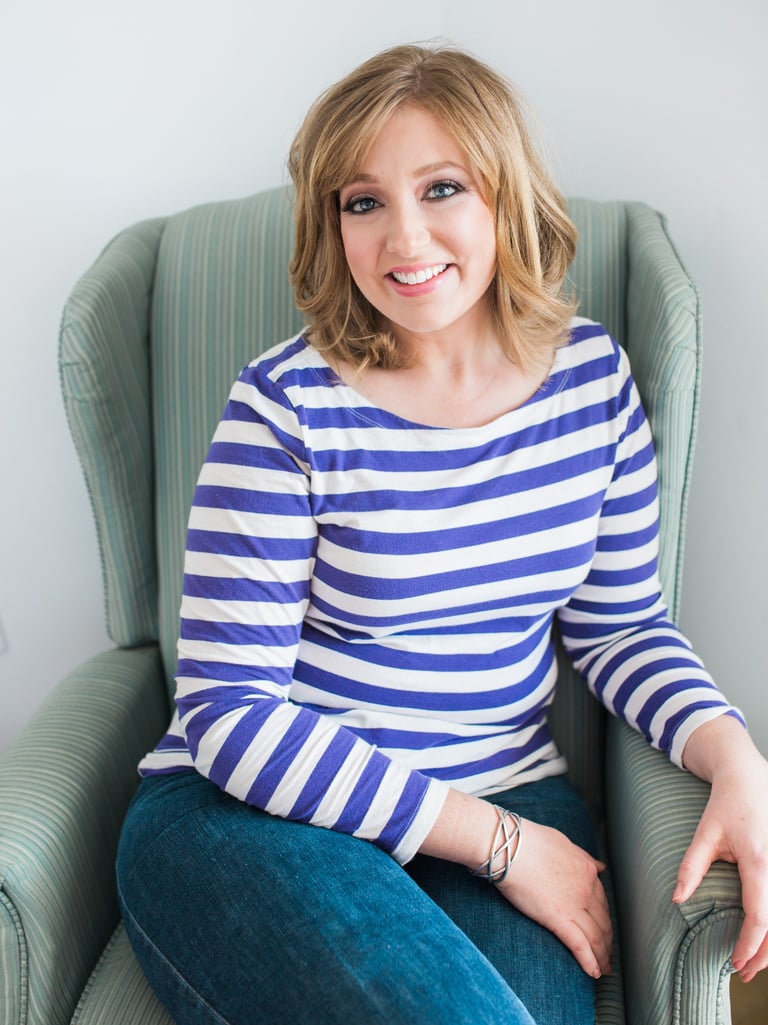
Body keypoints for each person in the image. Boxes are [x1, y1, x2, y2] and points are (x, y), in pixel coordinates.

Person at [116, 42, 768, 1025]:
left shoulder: (593, 382)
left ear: (506, 195)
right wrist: (500, 845)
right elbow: (230, 714)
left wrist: (734, 755)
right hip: (255, 814)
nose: (403, 236)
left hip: (508, 792)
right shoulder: (283, 409)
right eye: (362, 201)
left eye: (442, 187)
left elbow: (621, 628)